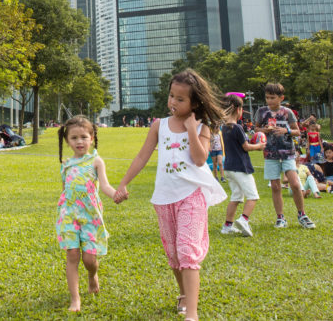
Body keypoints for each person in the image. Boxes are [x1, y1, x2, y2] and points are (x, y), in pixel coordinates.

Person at [115, 69, 227, 319]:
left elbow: (200, 160)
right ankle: (185, 295)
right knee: (175, 255)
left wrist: (191, 129)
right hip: (164, 197)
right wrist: (122, 183)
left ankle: (192, 314)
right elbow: (142, 156)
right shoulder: (159, 125)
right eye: (171, 96)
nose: (173, 102)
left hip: (191, 195)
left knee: (187, 251)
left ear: (195, 102)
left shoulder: (202, 127)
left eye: (180, 99)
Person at [55, 116, 116, 312]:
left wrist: (116, 195)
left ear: (92, 137)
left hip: (90, 216)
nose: (79, 141)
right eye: (74, 138)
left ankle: (92, 275)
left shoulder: (96, 161)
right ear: (67, 141)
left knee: (89, 260)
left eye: (83, 137)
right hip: (69, 216)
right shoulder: (66, 164)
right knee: (72, 254)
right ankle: (75, 300)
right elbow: (65, 190)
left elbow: (104, 186)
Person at [253, 82, 316, 228]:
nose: (269, 101)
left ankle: (302, 214)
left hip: (288, 152)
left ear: (281, 98)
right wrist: (264, 130)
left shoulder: (288, 112)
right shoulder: (262, 111)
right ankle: (280, 217)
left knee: (294, 183)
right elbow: (256, 129)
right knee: (275, 186)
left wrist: (285, 131)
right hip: (270, 153)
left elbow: (297, 131)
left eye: (273, 98)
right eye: (267, 97)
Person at [219, 95, 263, 237]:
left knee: (236, 197)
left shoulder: (224, 127)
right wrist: (259, 146)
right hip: (240, 167)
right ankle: (243, 219)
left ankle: (227, 226)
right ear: (238, 109)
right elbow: (246, 147)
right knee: (253, 196)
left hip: (229, 168)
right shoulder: (237, 127)